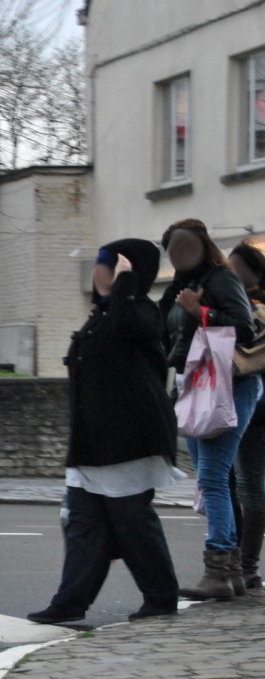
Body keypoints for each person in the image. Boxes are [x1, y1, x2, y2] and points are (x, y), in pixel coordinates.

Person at [28, 239, 182, 624]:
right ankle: (69, 602)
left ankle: (161, 596)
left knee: (132, 523)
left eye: (107, 266)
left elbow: (128, 324)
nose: (98, 274)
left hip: (127, 441)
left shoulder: (141, 312)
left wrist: (127, 283)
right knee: (83, 524)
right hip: (92, 443)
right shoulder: (100, 316)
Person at [158, 219, 261, 600]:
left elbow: (245, 329)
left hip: (229, 386)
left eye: (187, 245)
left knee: (214, 479)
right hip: (194, 387)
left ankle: (219, 568)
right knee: (213, 477)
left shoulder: (220, 280)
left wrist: (201, 311)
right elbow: (164, 331)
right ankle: (231, 572)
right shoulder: (177, 286)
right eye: (173, 248)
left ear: (203, 245)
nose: (180, 253)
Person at [229, 241, 265, 590]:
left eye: (236, 267)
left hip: (256, 408)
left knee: (250, 484)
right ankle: (240, 562)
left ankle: (247, 565)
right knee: (237, 484)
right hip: (242, 404)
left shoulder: (255, 307)